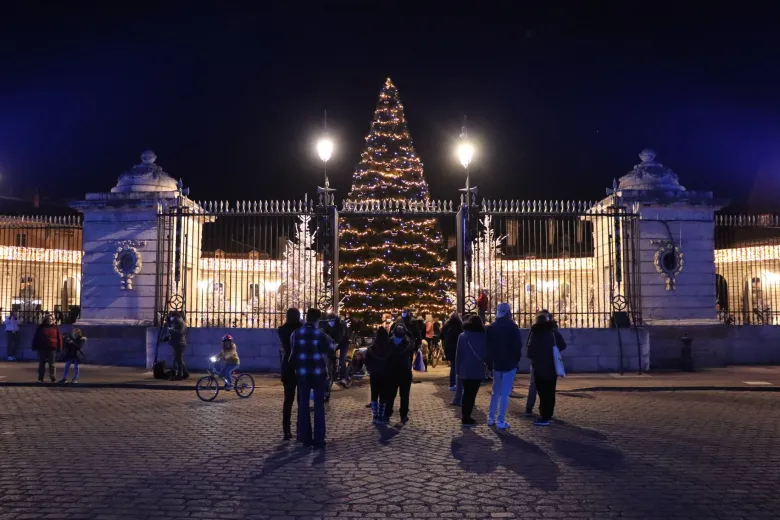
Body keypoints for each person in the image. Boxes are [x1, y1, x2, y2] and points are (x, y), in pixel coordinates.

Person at [289, 308, 334, 449]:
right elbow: (331, 348)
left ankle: (305, 437)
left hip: (302, 373)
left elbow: (293, 352)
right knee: (318, 406)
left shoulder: (296, 333)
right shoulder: (319, 334)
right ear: (317, 320)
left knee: (303, 405)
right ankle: (319, 439)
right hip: (318, 373)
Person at [485, 303, 523, 429]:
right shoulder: (513, 327)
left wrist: (489, 364)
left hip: (497, 363)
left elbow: (488, 347)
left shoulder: (492, 327)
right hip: (509, 363)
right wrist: (515, 360)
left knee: (495, 392)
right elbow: (518, 346)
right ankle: (501, 420)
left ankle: (491, 418)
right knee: (505, 394)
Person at [526, 311, 567, 426]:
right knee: (550, 392)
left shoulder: (535, 333)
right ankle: (548, 414)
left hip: (539, 367)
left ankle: (544, 416)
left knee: (542, 393)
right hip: (551, 367)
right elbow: (563, 345)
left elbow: (530, 352)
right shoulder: (553, 333)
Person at [456, 315, 487, 427]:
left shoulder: (462, 336)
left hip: (465, 369)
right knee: (472, 394)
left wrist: (458, 368)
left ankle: (465, 416)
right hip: (477, 369)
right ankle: (467, 416)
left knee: (466, 393)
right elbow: (485, 353)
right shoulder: (483, 336)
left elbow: (458, 354)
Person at [278, 308, 302, 441]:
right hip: (300, 364)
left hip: (288, 365)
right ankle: (300, 427)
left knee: (288, 400)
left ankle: (286, 429)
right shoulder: (301, 329)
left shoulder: (282, 330)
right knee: (301, 399)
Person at [384, 323, 416, 424]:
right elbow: (413, 342)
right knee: (404, 395)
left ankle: (387, 413)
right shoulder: (408, 343)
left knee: (390, 395)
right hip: (405, 372)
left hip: (391, 372)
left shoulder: (389, 343)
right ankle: (403, 415)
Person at [365, 326, 393, 424]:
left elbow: (367, 361)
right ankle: (381, 415)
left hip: (374, 374)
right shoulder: (390, 348)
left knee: (374, 394)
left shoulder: (372, 349)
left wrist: (370, 370)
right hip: (386, 374)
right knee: (383, 395)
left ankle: (375, 416)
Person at [32, 314, 62, 383]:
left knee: (52, 364)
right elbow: (36, 337)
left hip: (52, 348)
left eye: (51, 320)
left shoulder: (55, 327)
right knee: (42, 364)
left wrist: (59, 347)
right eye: (49, 319)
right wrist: (34, 346)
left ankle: (53, 378)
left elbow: (59, 338)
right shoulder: (40, 327)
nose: (50, 321)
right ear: (45, 320)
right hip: (42, 348)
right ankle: (40, 378)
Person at [322, 313, 349, 385]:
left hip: (343, 342)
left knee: (342, 360)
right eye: (329, 320)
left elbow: (341, 335)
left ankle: (343, 378)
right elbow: (325, 334)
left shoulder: (340, 325)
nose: (330, 322)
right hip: (334, 342)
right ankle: (332, 373)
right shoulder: (327, 325)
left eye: (332, 320)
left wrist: (336, 343)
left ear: (335, 320)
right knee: (330, 355)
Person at [441, 312, 463, 393]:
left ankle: (452, 384)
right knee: (459, 367)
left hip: (449, 348)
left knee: (453, 367)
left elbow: (441, 335)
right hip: (458, 347)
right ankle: (458, 384)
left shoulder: (447, 325)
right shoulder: (460, 325)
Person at [168, 312, 189, 380]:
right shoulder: (177, 321)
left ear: (175, 316)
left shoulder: (177, 321)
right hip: (178, 343)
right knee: (178, 359)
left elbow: (179, 333)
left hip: (179, 343)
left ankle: (180, 374)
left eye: (171, 316)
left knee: (178, 359)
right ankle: (185, 373)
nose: (170, 317)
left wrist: (170, 329)